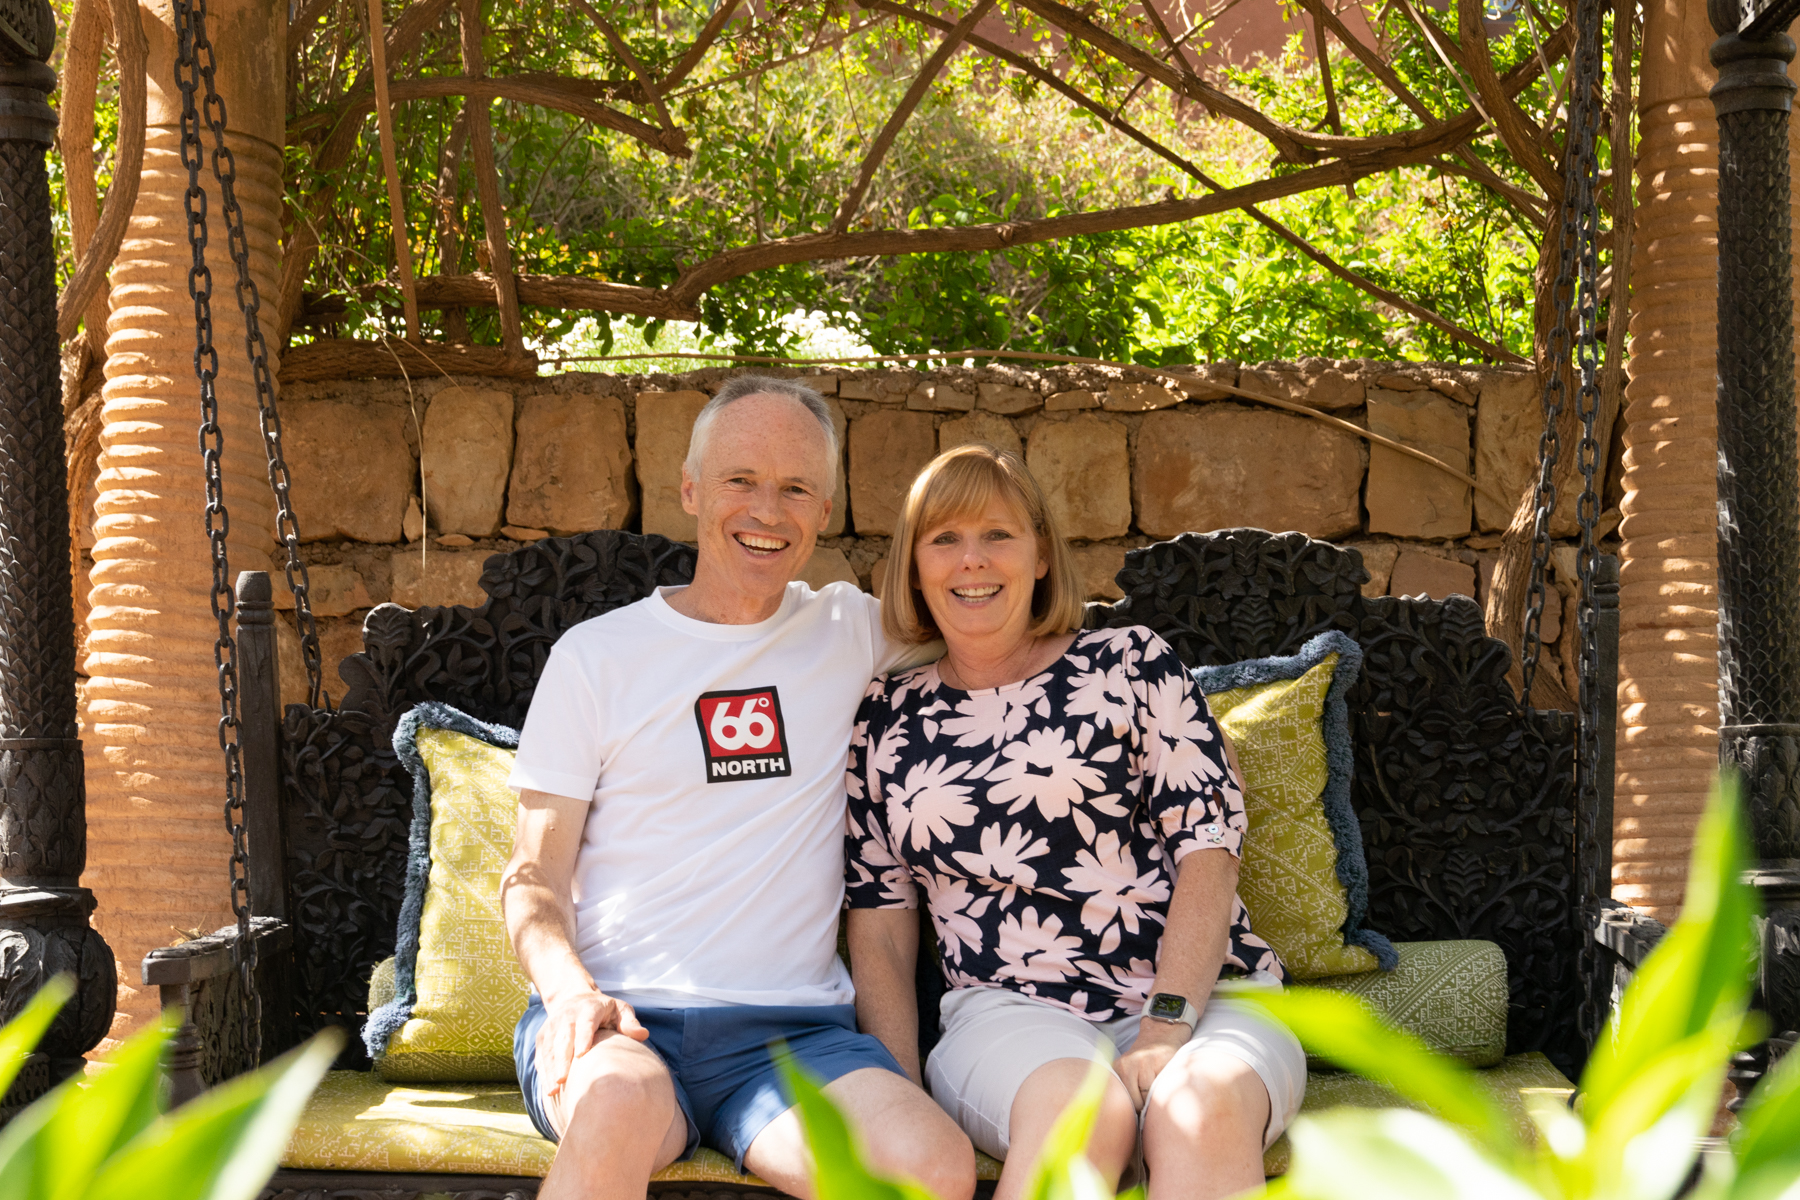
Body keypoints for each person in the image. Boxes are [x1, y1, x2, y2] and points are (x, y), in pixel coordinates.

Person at [501, 375, 975, 1200]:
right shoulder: (597, 656)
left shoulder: (855, 630)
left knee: (931, 1166)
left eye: (796, 488)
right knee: (611, 1107)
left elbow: (994, 632)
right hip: (625, 1022)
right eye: (740, 481)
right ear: (689, 489)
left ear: (825, 510)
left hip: (795, 1036)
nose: (768, 509)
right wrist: (570, 992)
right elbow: (532, 876)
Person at [844, 443, 1305, 1200]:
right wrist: (897, 1090)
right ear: (914, 565)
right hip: (1006, 1015)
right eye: (945, 539)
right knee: (1079, 1112)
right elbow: (882, 919)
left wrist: (1164, 1027)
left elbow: (1209, 851)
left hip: (1205, 999)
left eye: (999, 535)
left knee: (1200, 1108)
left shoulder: (1130, 663)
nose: (973, 561)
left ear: (1041, 557)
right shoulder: (887, 715)